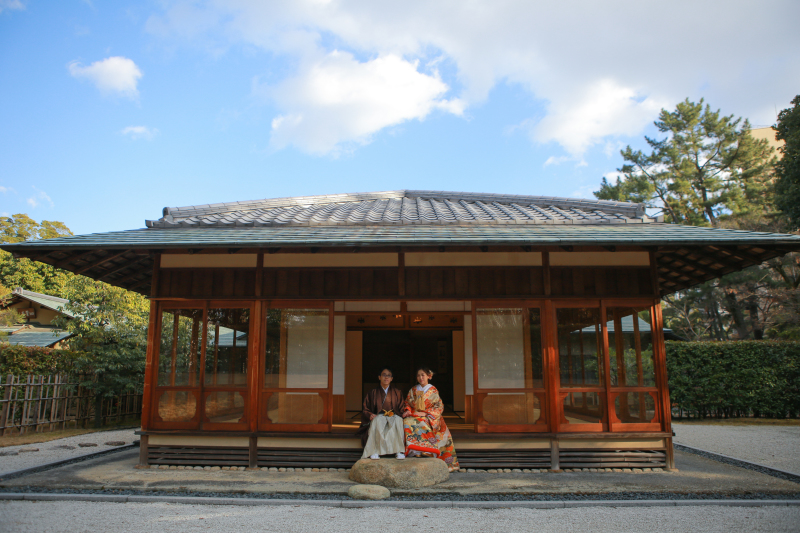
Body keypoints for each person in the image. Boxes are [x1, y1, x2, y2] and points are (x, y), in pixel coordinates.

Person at [402, 367, 459, 472]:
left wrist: (425, 413)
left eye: (423, 375)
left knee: (421, 422)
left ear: (429, 376)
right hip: (415, 414)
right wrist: (408, 410)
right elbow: (407, 402)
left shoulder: (433, 390)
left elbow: (439, 406)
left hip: (430, 416)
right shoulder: (413, 390)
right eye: (418, 375)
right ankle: (415, 451)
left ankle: (428, 450)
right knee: (407, 421)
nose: (420, 377)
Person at [357, 366, 406, 460]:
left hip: (393, 416)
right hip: (378, 416)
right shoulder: (373, 392)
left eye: (389, 375)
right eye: (384, 375)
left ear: (392, 378)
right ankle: (374, 450)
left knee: (399, 420)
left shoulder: (397, 392)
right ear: (379, 377)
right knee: (377, 420)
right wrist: (370, 415)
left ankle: (399, 450)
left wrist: (402, 414)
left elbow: (401, 408)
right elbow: (366, 408)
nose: (386, 377)